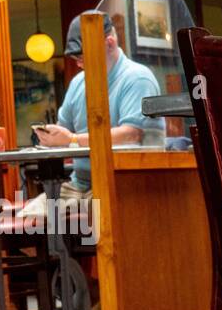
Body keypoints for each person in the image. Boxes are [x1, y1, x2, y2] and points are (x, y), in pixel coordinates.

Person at [34, 14, 163, 198]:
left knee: (68, 222)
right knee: (26, 222)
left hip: (126, 185)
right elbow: (64, 129)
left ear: (109, 44)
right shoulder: (79, 82)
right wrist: (51, 136)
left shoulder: (137, 78)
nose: (78, 64)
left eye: (81, 56)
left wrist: (71, 139)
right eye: (75, 58)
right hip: (80, 184)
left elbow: (131, 134)